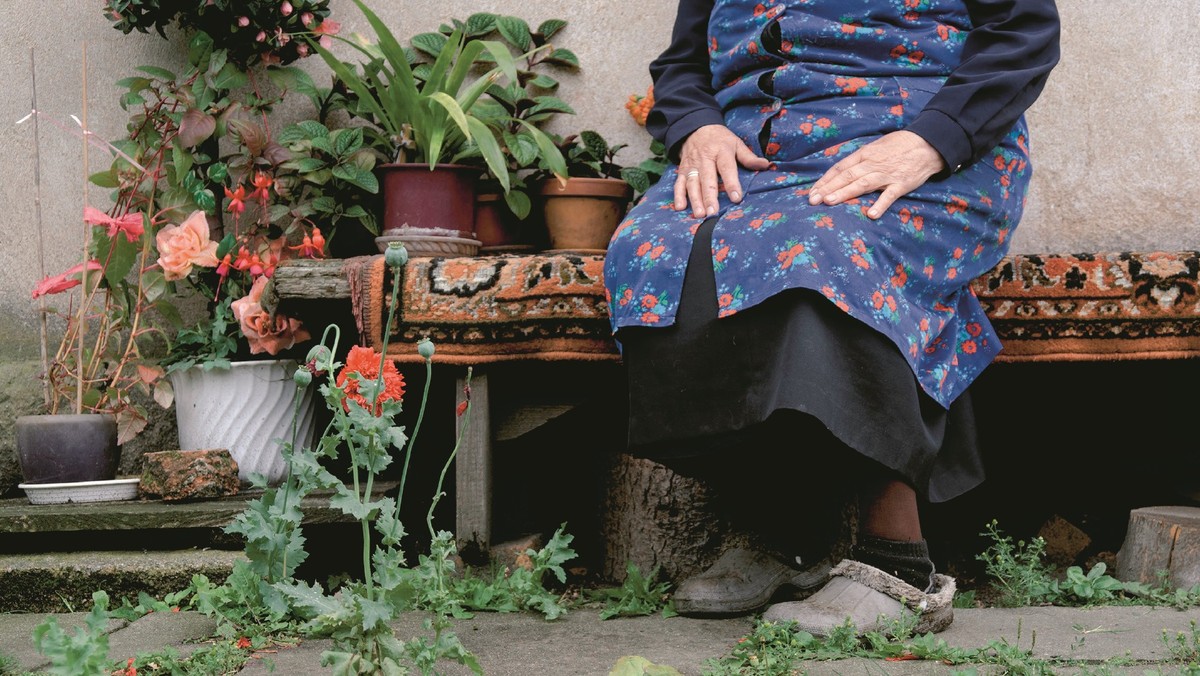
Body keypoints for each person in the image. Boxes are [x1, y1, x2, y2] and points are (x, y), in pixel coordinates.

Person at [603, 0, 1061, 635]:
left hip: (911, 150)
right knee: (653, 254)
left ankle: (899, 564)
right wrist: (697, 127)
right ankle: (787, 530)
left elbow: (1024, 31)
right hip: (759, 159)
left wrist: (934, 139)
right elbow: (684, 63)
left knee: (823, 247)